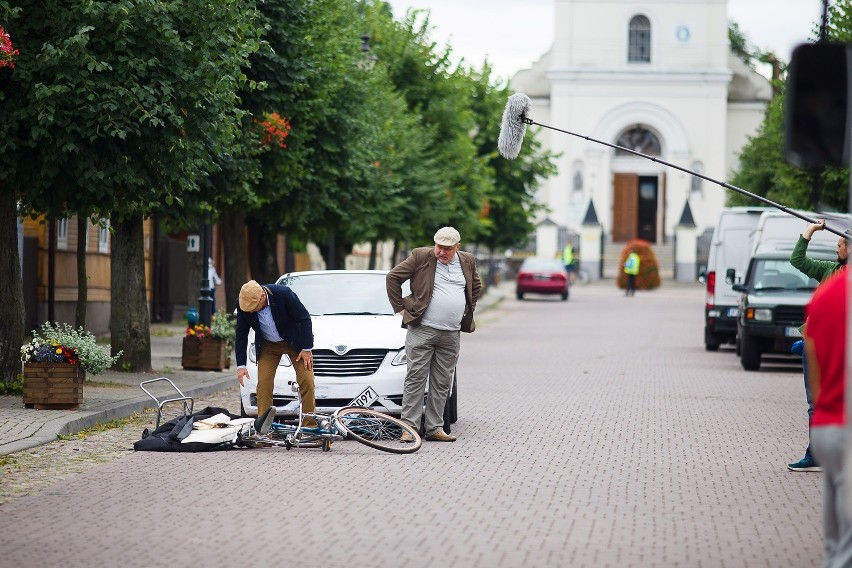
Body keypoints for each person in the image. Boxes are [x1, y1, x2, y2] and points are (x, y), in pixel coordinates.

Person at [386, 226, 482, 442]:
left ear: (457, 247)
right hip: (422, 329)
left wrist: (466, 309)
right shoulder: (421, 256)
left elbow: (475, 286)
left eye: (447, 249)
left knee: (442, 382)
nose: (442, 252)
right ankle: (409, 428)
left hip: (451, 332)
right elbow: (393, 277)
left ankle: (434, 428)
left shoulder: (467, 260)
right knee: (415, 378)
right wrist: (400, 308)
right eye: (439, 247)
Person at [787, 220, 849, 472]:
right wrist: (810, 231)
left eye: (841, 244)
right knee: (816, 404)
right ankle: (815, 455)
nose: (837, 247)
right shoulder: (828, 269)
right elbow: (797, 261)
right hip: (815, 350)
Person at [804, 269, 850, 566]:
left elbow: (811, 351)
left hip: (827, 427)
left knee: (837, 543)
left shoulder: (827, 292)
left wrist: (825, 406)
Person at [234, 280, 317, 427]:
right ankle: (264, 427)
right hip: (268, 345)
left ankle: (309, 426)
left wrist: (306, 349)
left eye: (254, 308)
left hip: (295, 343)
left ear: (262, 297)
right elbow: (241, 333)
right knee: (264, 383)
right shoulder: (243, 305)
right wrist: (241, 365)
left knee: (306, 380)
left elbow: (304, 318)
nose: (251, 311)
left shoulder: (283, 294)